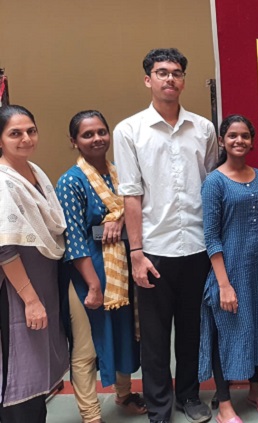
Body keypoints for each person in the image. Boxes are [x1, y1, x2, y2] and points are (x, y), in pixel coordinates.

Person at [113, 48, 217, 423]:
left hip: (197, 246)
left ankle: (188, 395)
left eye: (176, 72)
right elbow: (131, 194)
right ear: (148, 80)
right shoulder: (129, 131)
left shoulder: (203, 129)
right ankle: (159, 407)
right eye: (161, 72)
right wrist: (136, 252)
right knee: (155, 339)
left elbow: (211, 185)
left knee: (191, 330)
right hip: (154, 250)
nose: (169, 78)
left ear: (183, 81)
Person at [56, 110, 145, 423]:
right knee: (87, 346)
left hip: (120, 268)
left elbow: (136, 211)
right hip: (88, 271)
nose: (97, 139)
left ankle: (124, 394)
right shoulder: (71, 181)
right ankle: (91, 415)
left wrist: (120, 220)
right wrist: (93, 286)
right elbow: (74, 239)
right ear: (74, 141)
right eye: (88, 134)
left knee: (124, 333)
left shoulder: (120, 173)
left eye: (101, 132)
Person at [198, 115, 258, 423]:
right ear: (222, 140)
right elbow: (211, 236)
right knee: (226, 335)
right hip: (229, 273)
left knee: (256, 329)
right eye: (232, 135)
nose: (239, 141)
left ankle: (256, 390)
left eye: (245, 135)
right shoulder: (214, 182)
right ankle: (224, 403)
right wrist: (224, 284)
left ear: (252, 141)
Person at [0, 105, 69, 422]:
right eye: (15, 133)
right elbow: (4, 247)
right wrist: (30, 300)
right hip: (17, 291)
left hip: (43, 283)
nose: (26, 138)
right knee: (18, 369)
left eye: (31, 131)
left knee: (39, 369)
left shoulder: (34, 172)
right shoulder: (3, 182)